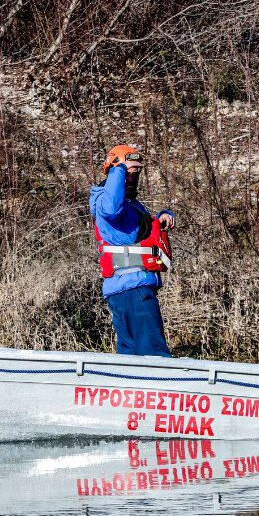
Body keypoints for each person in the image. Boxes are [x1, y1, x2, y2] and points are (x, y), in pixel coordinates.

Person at [89, 144, 176, 357]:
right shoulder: (106, 201)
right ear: (116, 172)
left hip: (128, 290)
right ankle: (166, 388)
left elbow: (138, 232)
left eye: (137, 172)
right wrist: (119, 167)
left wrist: (161, 217)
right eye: (130, 172)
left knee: (132, 357)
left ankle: (130, 388)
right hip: (133, 290)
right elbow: (112, 209)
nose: (134, 177)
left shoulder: (131, 205)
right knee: (154, 354)